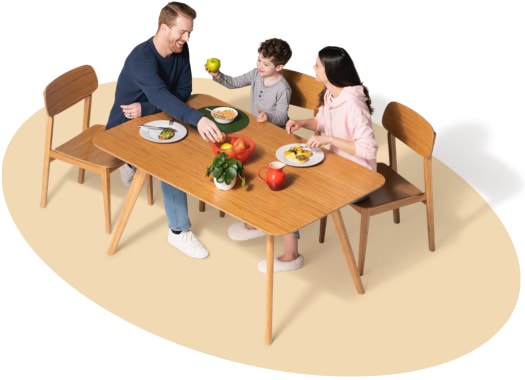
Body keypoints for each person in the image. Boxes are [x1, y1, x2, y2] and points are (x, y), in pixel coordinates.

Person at [105, 2, 224, 259]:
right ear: (163, 27)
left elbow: (182, 92)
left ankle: (135, 167)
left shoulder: (181, 50)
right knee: (172, 160)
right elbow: (162, 94)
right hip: (123, 129)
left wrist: (147, 108)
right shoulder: (141, 59)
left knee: (192, 141)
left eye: (190, 32)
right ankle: (179, 232)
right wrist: (197, 120)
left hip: (153, 116)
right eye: (182, 32)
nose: (187, 38)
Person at [263, 46, 377, 273]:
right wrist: (303, 123)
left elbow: (369, 149)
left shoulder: (354, 105)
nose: (313, 68)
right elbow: (323, 121)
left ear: (331, 71)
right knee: (285, 177)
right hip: (336, 165)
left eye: (317, 66)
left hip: (359, 177)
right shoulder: (331, 94)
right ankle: (272, 233)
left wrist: (329, 139)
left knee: (294, 189)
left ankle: (291, 254)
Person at [205, 38, 301, 273]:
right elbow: (233, 82)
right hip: (253, 133)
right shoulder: (256, 75)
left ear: (279, 67)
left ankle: (292, 252)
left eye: (266, 64)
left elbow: (282, 116)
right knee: (247, 175)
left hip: (274, 139)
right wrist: (218, 75)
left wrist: (268, 118)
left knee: (273, 186)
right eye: (259, 60)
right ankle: (253, 222)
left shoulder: (283, 88)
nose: (260, 66)